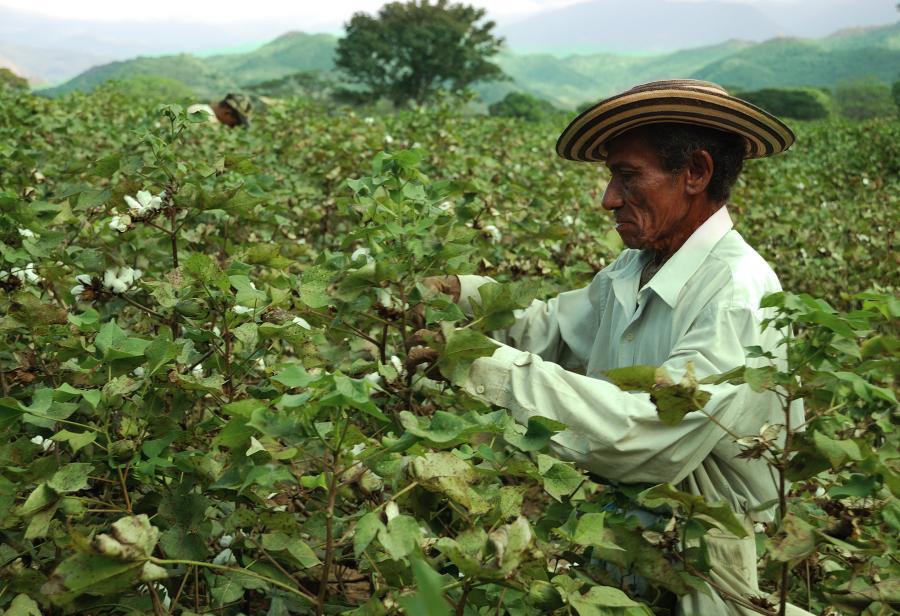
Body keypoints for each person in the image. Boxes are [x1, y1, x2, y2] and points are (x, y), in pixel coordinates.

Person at [421, 80, 813, 615]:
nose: (608, 198)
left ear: (696, 173)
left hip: (702, 549)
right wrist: (462, 296)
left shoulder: (736, 292)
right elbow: (553, 331)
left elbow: (652, 435)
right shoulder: (634, 267)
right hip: (622, 522)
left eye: (628, 176)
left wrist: (483, 364)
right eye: (612, 177)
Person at [187, 93, 252, 127]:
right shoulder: (206, 119)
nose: (232, 127)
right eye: (233, 123)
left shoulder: (200, 109)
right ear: (227, 113)